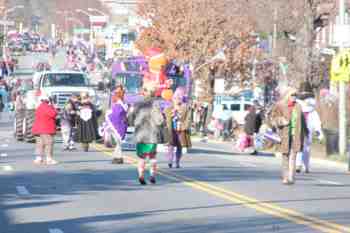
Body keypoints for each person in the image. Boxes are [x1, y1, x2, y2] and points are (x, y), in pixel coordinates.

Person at [269, 88, 307, 185]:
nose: (294, 97)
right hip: (284, 134)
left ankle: (291, 177)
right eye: (293, 95)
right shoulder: (280, 105)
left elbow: (302, 120)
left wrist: (306, 132)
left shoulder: (298, 106)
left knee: (293, 156)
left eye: (296, 95)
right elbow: (273, 118)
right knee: (285, 156)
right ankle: (285, 177)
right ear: (288, 95)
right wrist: (282, 121)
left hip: (296, 134)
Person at [129, 84, 165, 185]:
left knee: (141, 157)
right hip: (151, 135)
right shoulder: (155, 105)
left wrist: (134, 122)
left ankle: (141, 174)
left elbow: (130, 118)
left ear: (144, 93)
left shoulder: (137, 104)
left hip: (140, 134)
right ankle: (152, 175)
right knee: (152, 157)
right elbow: (159, 120)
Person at [295, 82, 323, 173]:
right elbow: (317, 121)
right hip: (304, 126)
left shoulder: (307, 108)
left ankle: (302, 165)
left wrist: (319, 131)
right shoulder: (306, 107)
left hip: (304, 126)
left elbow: (317, 121)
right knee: (303, 146)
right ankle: (301, 165)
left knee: (303, 146)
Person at [165, 88, 192, 169]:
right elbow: (165, 118)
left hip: (181, 130)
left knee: (179, 147)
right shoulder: (169, 108)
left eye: (179, 97)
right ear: (173, 99)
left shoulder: (186, 108)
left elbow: (189, 119)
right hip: (171, 130)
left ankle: (177, 162)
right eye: (176, 98)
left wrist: (184, 126)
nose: (177, 99)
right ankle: (170, 161)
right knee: (170, 146)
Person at [31, 92, 58, 165]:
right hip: (45, 129)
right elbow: (54, 114)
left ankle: (38, 159)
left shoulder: (39, 107)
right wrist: (53, 106)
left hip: (38, 129)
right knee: (49, 143)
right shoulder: (46, 107)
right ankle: (49, 159)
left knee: (40, 144)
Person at [106, 85, 128, 164]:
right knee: (118, 142)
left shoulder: (122, 103)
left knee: (118, 142)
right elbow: (115, 113)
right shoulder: (117, 103)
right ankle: (118, 157)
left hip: (120, 123)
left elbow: (121, 113)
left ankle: (118, 157)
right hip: (116, 123)